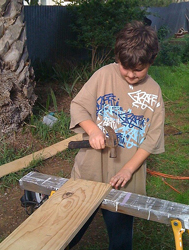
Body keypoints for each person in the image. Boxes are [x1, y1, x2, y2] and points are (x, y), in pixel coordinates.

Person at [69, 20, 165, 250]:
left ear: (150, 62)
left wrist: (128, 169)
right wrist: (92, 129)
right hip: (89, 173)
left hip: (124, 181)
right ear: (117, 58)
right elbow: (78, 107)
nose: (131, 75)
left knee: (121, 238)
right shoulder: (103, 76)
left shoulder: (154, 92)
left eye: (138, 70)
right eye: (126, 68)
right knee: (69, 228)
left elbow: (152, 139)